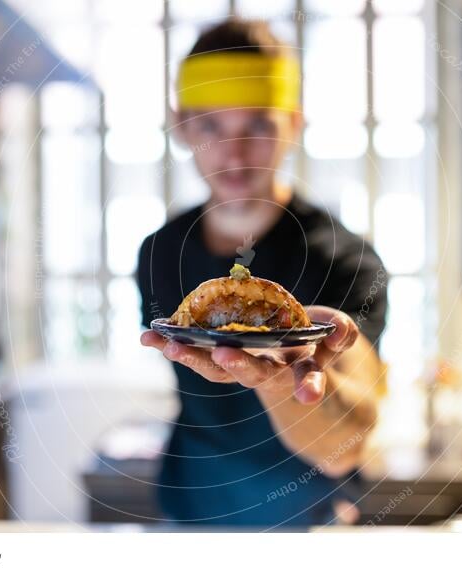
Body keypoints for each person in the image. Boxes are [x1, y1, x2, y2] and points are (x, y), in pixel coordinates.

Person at [137, 18, 388, 527]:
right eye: (211, 125)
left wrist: (279, 381)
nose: (234, 151)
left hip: (303, 521)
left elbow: (346, 444)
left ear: (293, 124)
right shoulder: (160, 252)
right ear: (182, 125)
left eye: (258, 125)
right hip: (188, 514)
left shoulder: (346, 259)